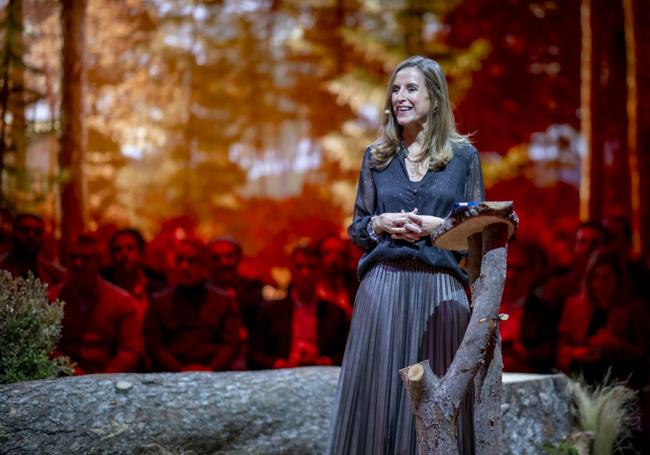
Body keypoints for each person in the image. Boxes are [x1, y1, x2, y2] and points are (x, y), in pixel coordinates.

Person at [326, 55, 484, 455]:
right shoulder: (376, 158)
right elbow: (358, 229)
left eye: (411, 88)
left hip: (440, 293)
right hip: (384, 289)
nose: (400, 97)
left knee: (441, 396)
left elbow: (477, 237)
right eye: (396, 89)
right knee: (380, 397)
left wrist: (438, 227)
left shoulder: (463, 157)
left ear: (435, 96)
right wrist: (380, 224)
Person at [49, 234, 143, 374]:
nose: (77, 263)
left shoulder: (123, 302)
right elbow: (49, 347)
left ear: (99, 262)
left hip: (111, 380)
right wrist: (73, 372)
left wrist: (103, 378)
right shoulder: (51, 299)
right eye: (73, 257)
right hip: (63, 379)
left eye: (85, 259)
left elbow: (129, 351)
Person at [144, 238, 242, 372]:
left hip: (215, 375)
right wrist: (179, 370)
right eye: (180, 261)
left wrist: (211, 369)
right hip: (171, 376)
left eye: (191, 261)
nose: (185, 267)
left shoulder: (223, 300)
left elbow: (231, 343)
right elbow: (154, 344)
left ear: (204, 265)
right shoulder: (159, 301)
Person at [248, 244, 349, 370]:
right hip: (282, 375)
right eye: (299, 267)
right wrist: (279, 364)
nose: (305, 273)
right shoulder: (271, 310)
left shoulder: (335, 313)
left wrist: (324, 362)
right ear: (291, 270)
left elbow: (346, 353)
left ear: (320, 271)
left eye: (311, 267)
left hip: (320, 375)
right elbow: (254, 354)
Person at [101, 228, 167, 314]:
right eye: (118, 249)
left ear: (141, 253)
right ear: (112, 255)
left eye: (130, 248)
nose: (124, 254)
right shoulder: (104, 288)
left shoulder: (158, 287)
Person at [0, 213, 66, 287]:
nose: (31, 236)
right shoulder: (2, 266)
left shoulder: (55, 274)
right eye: (25, 230)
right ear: (13, 233)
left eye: (37, 232)